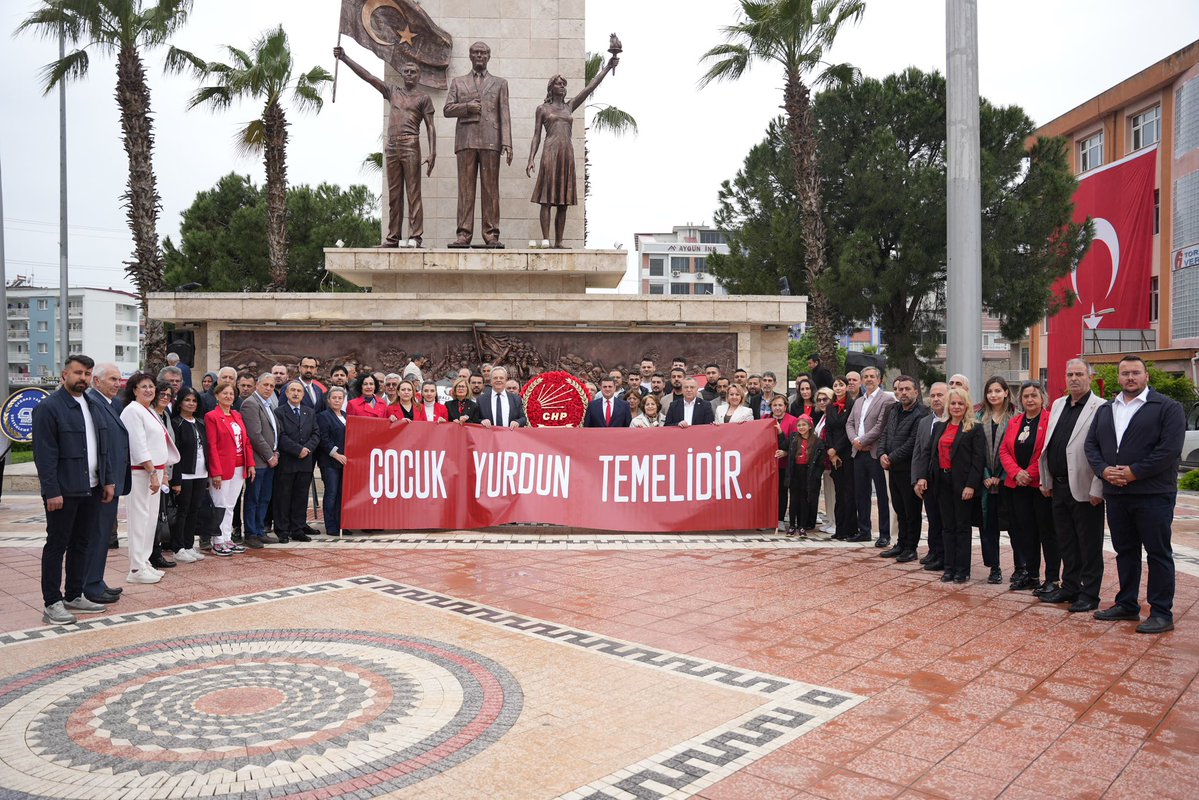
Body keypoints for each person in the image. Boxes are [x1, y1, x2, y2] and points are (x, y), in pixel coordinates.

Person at [1085, 354, 1185, 634]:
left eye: (1136, 373)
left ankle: (1161, 612)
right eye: (1125, 373)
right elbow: (1091, 445)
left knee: (1158, 553)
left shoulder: (1167, 407)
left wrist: (1134, 472)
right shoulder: (1106, 409)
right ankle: (1127, 604)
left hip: (1153, 494)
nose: (1130, 377)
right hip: (1117, 494)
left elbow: (1169, 450)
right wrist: (1103, 470)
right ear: (1118, 377)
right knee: (1125, 551)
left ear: (1146, 376)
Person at [33, 355, 117, 624]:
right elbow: (44, 454)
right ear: (64, 375)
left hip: (91, 487)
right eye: (78, 372)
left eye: (87, 373)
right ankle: (52, 602)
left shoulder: (92, 404)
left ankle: (74, 594)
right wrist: (51, 491)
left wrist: (107, 480)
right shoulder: (49, 407)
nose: (83, 378)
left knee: (82, 543)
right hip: (64, 490)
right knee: (57, 545)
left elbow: (102, 447)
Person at [333, 50, 436, 247]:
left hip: (411, 144)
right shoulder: (392, 91)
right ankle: (393, 237)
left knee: (413, 193)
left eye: (413, 72)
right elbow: (369, 77)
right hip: (392, 146)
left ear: (419, 75)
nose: (409, 74)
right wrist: (345, 58)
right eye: (406, 71)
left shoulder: (423, 98)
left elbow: (430, 126)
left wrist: (433, 153)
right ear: (402, 74)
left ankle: (415, 237)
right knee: (394, 194)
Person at [526, 55, 617, 247]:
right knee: (546, 199)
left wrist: (608, 67)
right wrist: (531, 158)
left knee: (563, 201)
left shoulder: (569, 107)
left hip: (566, 154)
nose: (562, 86)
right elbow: (536, 135)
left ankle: (559, 242)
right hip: (550, 153)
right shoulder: (542, 109)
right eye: (558, 84)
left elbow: (589, 88)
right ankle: (546, 240)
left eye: (563, 84)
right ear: (551, 87)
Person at [1039, 358, 1107, 612]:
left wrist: (1098, 487)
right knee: (1066, 540)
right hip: (1058, 485)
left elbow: (1105, 450)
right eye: (1070, 375)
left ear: (1090, 377)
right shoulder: (1058, 404)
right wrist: (1046, 479)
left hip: (1085, 486)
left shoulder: (1101, 407)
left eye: (1079, 374)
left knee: (1089, 544)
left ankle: (1089, 594)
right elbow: (1050, 444)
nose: (1074, 379)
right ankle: (1070, 587)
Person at [444, 41, 512, 248]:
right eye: (476, 53)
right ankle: (464, 234)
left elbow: (505, 114)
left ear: (489, 56)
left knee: (491, 190)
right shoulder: (458, 82)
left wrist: (507, 142)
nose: (480, 56)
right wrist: (466, 107)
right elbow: (447, 109)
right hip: (466, 140)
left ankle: (491, 234)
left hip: (491, 140)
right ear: (470, 56)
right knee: (465, 190)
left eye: (483, 53)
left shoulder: (500, 83)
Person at [917, 387, 984, 584]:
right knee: (947, 527)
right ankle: (949, 568)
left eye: (960, 403)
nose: (956, 407)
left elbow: (978, 460)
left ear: (967, 406)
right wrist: (923, 477)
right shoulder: (940, 427)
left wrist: (971, 485)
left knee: (962, 528)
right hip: (941, 483)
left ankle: (962, 570)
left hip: (963, 485)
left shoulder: (974, 428)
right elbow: (930, 454)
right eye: (953, 403)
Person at [120, 372, 180, 582]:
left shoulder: (149, 411)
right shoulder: (132, 411)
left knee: (150, 519)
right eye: (143, 386)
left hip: (156, 470)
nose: (148, 390)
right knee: (139, 519)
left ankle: (144, 561)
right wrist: (152, 472)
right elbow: (138, 445)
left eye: (151, 386)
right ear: (134, 390)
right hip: (141, 472)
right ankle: (136, 568)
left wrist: (161, 474)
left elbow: (159, 443)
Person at [1000, 381, 1058, 595]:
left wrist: (1030, 473)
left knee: (1047, 533)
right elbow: (1004, 451)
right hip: (1018, 486)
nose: (1030, 400)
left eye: (1034, 395)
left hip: (1040, 486)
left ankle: (1052, 578)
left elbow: (1046, 451)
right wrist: (1016, 473)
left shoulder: (1050, 420)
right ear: (1020, 400)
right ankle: (1032, 575)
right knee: (1026, 532)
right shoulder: (1015, 421)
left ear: (1043, 398)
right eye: (1026, 396)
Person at [82, 362, 130, 605]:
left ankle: (96, 581)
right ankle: (89, 585)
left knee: (102, 536)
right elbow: (99, 447)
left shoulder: (111, 403)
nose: (117, 384)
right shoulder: (93, 403)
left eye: (118, 379)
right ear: (96, 381)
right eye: (112, 379)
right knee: (97, 534)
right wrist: (107, 479)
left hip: (113, 480)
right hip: (103, 483)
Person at [877, 375, 929, 563]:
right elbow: (885, 434)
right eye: (900, 389)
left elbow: (913, 442)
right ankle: (900, 543)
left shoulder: (922, 413)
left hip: (909, 469)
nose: (903, 392)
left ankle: (910, 548)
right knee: (899, 508)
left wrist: (891, 458)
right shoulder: (894, 409)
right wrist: (882, 453)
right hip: (893, 469)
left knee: (911, 511)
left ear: (916, 391)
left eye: (907, 389)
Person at [846, 366, 895, 546]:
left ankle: (884, 534)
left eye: (872, 376)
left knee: (882, 495)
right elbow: (850, 423)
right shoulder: (859, 401)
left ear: (879, 379)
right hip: (859, 453)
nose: (868, 379)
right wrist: (855, 440)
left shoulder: (886, 400)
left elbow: (881, 426)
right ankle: (864, 531)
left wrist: (862, 440)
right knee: (861, 494)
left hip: (875, 453)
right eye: (865, 377)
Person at [205, 381, 253, 556]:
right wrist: (216, 472)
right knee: (220, 504)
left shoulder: (237, 415)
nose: (228, 396)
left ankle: (227, 537)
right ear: (217, 396)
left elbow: (246, 441)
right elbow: (212, 445)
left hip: (239, 466)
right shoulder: (212, 416)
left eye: (231, 394)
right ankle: (217, 541)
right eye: (224, 393)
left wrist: (251, 464)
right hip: (222, 468)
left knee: (230, 505)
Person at [978, 376, 1016, 585]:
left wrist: (1001, 477)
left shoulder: (1016, 417)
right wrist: (985, 475)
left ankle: (1022, 568)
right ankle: (994, 567)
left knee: (1015, 526)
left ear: (1006, 392)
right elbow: (975, 451)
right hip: (985, 482)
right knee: (988, 526)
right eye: (990, 391)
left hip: (1008, 480)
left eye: (997, 391)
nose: (993, 395)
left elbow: (1016, 451)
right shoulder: (978, 417)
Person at [273, 380, 319, 542]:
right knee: (283, 497)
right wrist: (297, 450)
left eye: (299, 391)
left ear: (303, 394)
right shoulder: (279, 412)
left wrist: (307, 449)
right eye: (292, 390)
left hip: (305, 461)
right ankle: (282, 530)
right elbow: (280, 435)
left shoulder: (309, 412)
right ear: (286, 393)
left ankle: (297, 529)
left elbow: (316, 434)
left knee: (301, 497)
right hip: (287, 461)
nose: (295, 393)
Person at [910, 382, 949, 570]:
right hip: (928, 479)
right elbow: (919, 452)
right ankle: (934, 551)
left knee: (944, 520)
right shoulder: (925, 422)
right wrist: (918, 478)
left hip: (946, 479)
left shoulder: (953, 421)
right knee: (932, 518)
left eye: (940, 395)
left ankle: (944, 555)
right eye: (932, 395)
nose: (935, 399)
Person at [239, 373, 280, 549]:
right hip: (258, 461)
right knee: (253, 498)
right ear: (257, 385)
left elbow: (274, 431)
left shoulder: (268, 404)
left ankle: (260, 530)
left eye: (271, 386)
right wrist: (269, 456)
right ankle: (251, 533)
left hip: (270, 460)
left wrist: (275, 452)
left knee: (264, 498)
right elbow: (254, 435)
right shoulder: (251, 403)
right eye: (265, 385)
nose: (268, 388)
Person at [168, 386, 208, 564]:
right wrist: (176, 480)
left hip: (201, 473)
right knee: (182, 512)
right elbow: (174, 453)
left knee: (194, 510)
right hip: (184, 474)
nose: (191, 403)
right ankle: (178, 548)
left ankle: (189, 545)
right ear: (180, 403)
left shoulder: (200, 422)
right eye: (187, 400)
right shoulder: (176, 423)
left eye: (194, 401)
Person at [824, 377, 857, 540]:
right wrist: (832, 451)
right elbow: (828, 430)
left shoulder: (853, 405)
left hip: (847, 452)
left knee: (849, 492)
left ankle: (850, 529)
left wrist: (836, 449)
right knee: (839, 492)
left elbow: (848, 430)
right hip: (834, 455)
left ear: (846, 387)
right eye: (835, 385)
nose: (838, 388)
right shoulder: (830, 407)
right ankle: (840, 528)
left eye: (841, 385)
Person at [317, 386, 348, 538]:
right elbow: (323, 438)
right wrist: (335, 454)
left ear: (343, 400)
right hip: (330, 462)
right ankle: (331, 525)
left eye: (340, 398)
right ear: (328, 400)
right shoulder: (323, 416)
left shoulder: (346, 416)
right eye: (334, 398)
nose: (337, 400)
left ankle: (341, 523)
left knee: (342, 494)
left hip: (344, 462)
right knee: (332, 492)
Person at [785, 415, 823, 536]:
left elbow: (820, 462)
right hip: (795, 471)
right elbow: (784, 445)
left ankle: (802, 525)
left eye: (804, 425)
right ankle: (792, 525)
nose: (801, 427)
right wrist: (780, 432)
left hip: (808, 473)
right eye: (799, 425)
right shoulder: (794, 438)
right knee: (793, 500)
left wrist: (816, 476)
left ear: (810, 426)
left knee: (805, 500)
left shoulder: (817, 441)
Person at [811, 388, 837, 534]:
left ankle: (836, 522)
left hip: (831, 459)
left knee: (834, 492)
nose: (821, 402)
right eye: (819, 400)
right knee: (827, 492)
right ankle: (830, 520)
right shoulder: (823, 417)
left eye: (825, 399)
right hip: (823, 461)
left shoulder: (833, 416)